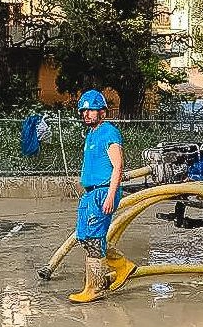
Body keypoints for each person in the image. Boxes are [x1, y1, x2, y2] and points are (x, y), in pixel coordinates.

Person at [68, 89, 137, 303]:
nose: (86, 114)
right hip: (90, 193)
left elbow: (118, 166)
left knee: (94, 239)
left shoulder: (109, 133)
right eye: (84, 111)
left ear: (103, 113)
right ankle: (122, 266)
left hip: (102, 192)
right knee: (84, 237)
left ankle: (95, 288)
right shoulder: (92, 134)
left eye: (91, 110)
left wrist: (110, 195)